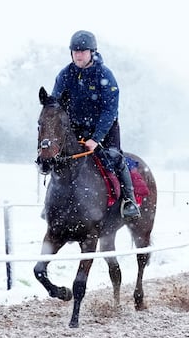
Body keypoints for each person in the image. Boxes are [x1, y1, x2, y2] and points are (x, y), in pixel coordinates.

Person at [51, 30, 141, 219]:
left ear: (92, 52)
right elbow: (56, 105)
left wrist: (96, 138)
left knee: (114, 157)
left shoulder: (105, 75)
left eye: (83, 51)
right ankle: (52, 205)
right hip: (75, 130)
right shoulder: (65, 75)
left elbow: (110, 111)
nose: (78, 55)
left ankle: (129, 200)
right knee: (59, 160)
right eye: (75, 51)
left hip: (104, 130)